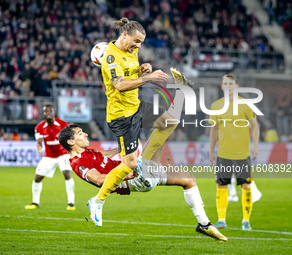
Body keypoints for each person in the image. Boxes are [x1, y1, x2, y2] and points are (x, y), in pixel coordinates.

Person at [88, 17, 192, 227]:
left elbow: (130, 73)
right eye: (136, 41)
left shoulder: (131, 50)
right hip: (121, 116)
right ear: (124, 35)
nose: (138, 46)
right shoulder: (110, 57)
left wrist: (141, 70)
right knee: (129, 165)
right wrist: (149, 78)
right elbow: (119, 84)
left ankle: (146, 160)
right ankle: (97, 201)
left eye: (141, 43)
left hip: (136, 106)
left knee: (169, 121)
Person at [58, 124, 227, 242]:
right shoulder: (77, 163)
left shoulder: (89, 152)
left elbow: (103, 155)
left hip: (138, 174)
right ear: (71, 142)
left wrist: (121, 148)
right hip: (134, 178)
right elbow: (99, 179)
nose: (85, 133)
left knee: (188, 179)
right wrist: (126, 174)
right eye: (80, 133)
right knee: (160, 131)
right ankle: (178, 94)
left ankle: (204, 224)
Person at [209, 74, 260, 231]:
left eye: (231, 83)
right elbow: (214, 129)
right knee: (221, 186)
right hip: (223, 154)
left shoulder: (245, 104)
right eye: (225, 83)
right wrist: (211, 151)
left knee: (245, 186)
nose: (228, 85)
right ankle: (221, 220)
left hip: (242, 154)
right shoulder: (216, 105)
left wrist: (256, 146)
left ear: (236, 86)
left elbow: (255, 126)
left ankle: (246, 221)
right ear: (222, 86)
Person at [25, 104, 75, 210]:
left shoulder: (63, 124)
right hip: (49, 156)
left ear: (54, 113)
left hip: (63, 154)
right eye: (45, 111)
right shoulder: (39, 127)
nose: (48, 113)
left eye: (50, 111)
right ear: (43, 114)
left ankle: (71, 203)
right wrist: (39, 147)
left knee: (67, 173)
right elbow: (39, 141)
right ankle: (35, 202)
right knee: (37, 177)